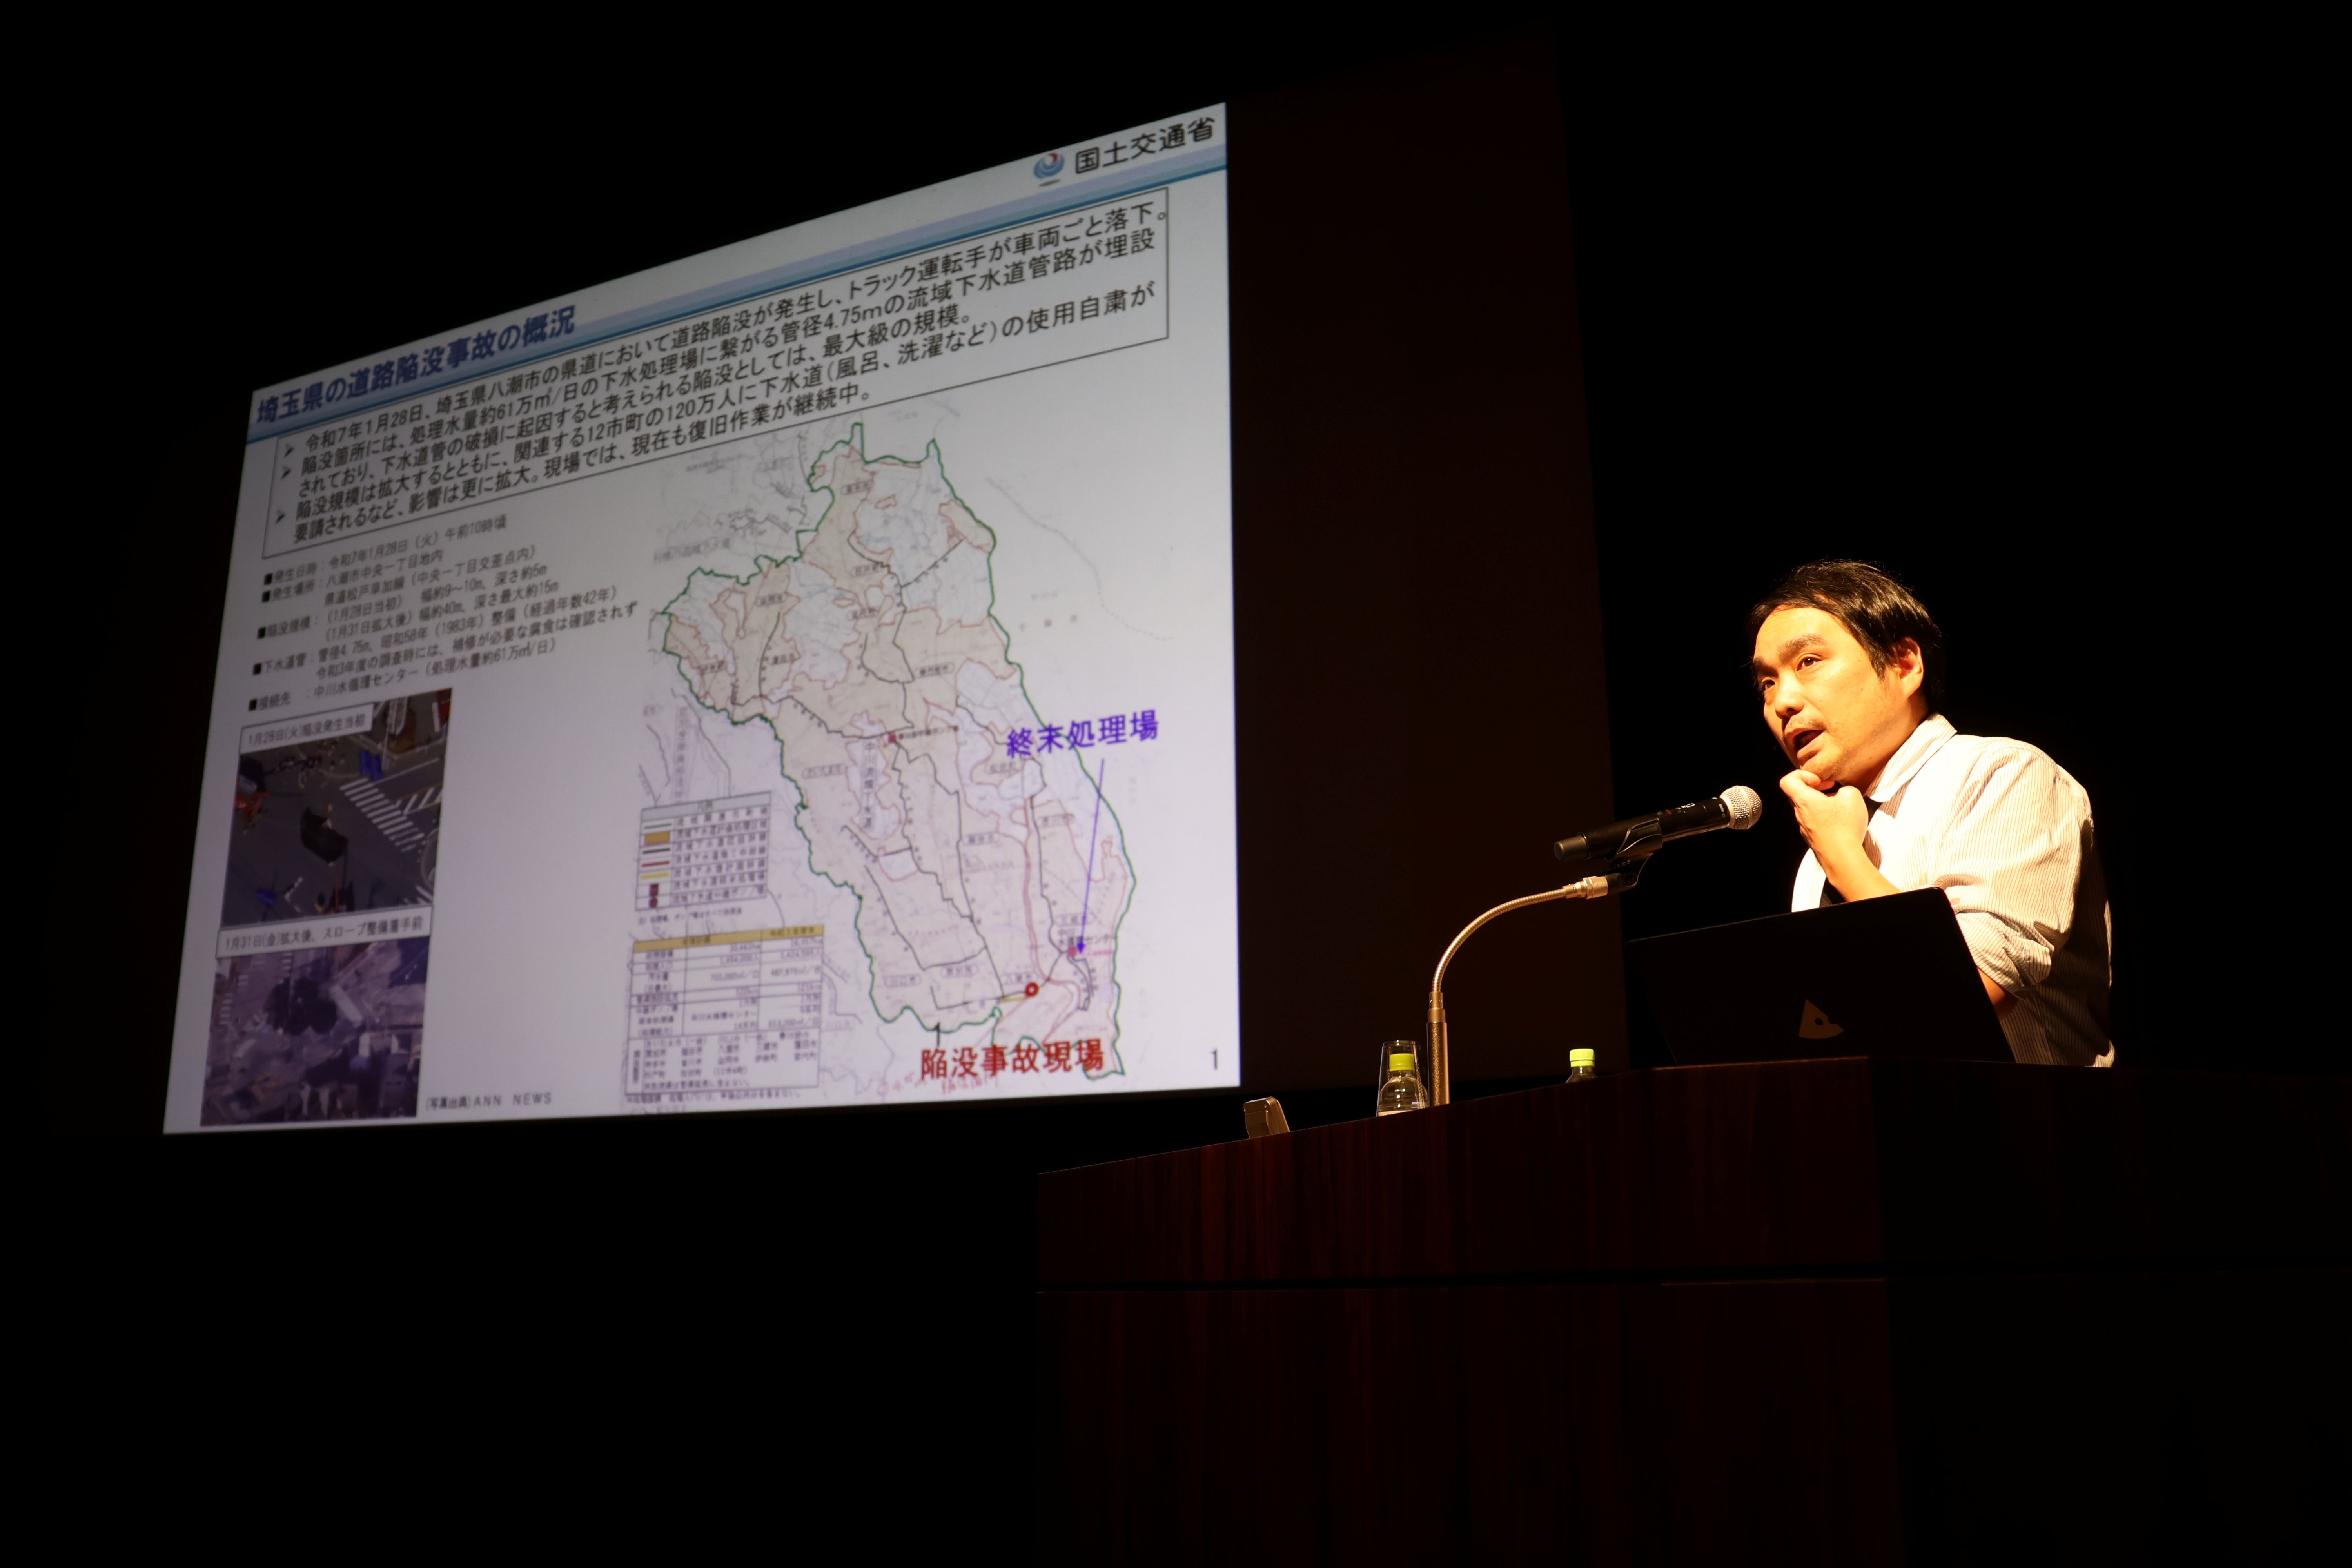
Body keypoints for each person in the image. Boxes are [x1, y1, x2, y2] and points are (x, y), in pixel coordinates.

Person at [1746, 561, 2112, 1067]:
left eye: (1808, 661)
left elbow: (1971, 988)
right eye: (1767, 683)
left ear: (1904, 665)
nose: (1782, 701)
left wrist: (1843, 858)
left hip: (2027, 1112)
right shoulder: (1825, 845)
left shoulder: (2002, 774)